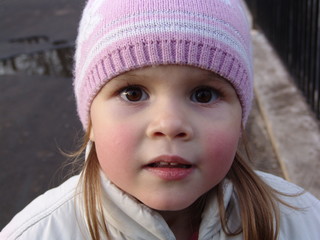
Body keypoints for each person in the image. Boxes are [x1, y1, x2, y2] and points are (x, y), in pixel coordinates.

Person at [1, 0, 320, 239]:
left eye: (204, 95)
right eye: (133, 93)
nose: (169, 124)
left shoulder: (300, 222)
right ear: (92, 119)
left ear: (240, 119)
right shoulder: (38, 233)